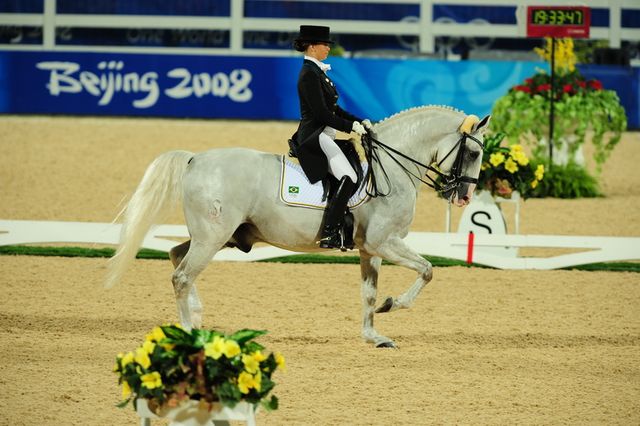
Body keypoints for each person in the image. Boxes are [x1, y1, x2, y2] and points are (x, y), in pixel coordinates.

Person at [290, 25, 372, 250]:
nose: (328, 48)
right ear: (312, 47)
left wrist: (360, 121)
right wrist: (351, 127)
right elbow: (321, 114)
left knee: (351, 170)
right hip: (314, 136)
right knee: (349, 176)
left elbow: (334, 109)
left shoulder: (318, 72)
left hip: (325, 134)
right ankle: (329, 232)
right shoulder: (308, 74)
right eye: (324, 44)